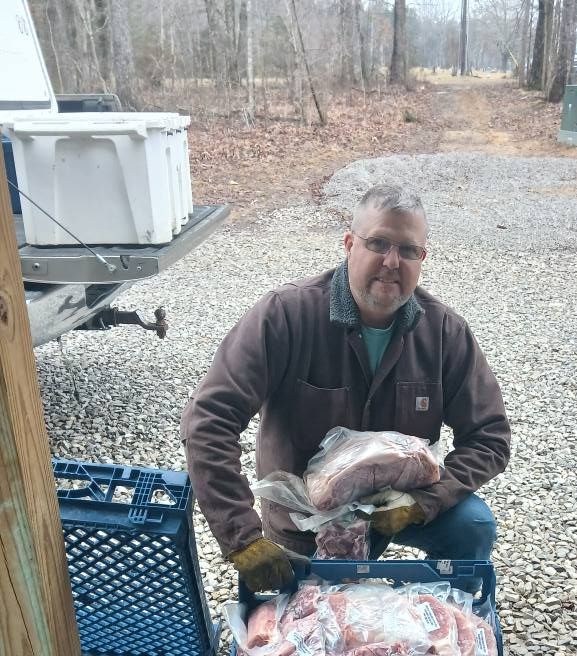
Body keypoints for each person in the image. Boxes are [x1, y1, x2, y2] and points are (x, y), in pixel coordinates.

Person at [181, 183, 511, 592]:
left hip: (397, 509)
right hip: (306, 522)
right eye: (378, 243)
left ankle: (452, 623)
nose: (392, 261)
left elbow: (490, 437)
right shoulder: (285, 316)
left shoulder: (444, 332)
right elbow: (209, 420)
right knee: (311, 630)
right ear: (350, 243)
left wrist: (423, 502)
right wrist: (242, 538)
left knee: (473, 526)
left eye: (408, 250)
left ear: (422, 258)